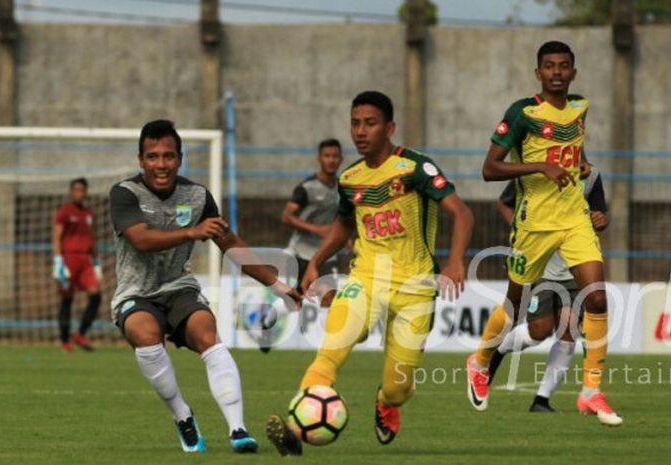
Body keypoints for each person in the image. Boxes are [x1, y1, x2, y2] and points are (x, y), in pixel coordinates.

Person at [266, 91, 474, 455]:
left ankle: (386, 402)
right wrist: (316, 261)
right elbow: (344, 225)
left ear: (389, 127)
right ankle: (296, 431)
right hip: (366, 278)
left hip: (416, 286)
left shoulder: (415, 167)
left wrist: (456, 261)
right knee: (333, 346)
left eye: (370, 123)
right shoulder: (350, 177)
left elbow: (462, 213)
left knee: (398, 388)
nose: (360, 131)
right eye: (355, 123)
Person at [109, 119, 302, 453]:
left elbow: (230, 243)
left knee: (206, 332)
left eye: (168, 156)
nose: (161, 164)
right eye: (152, 157)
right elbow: (140, 239)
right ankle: (183, 416)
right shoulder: (125, 194)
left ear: (180, 159)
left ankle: (238, 429)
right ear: (140, 160)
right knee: (145, 333)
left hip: (178, 288)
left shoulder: (197, 196)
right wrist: (190, 233)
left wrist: (277, 284)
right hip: (135, 293)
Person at [471, 41, 622, 426]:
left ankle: (591, 391)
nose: (557, 72)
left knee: (598, 298)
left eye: (564, 66)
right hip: (534, 224)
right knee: (513, 306)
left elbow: (574, 148)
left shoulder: (580, 107)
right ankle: (482, 358)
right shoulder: (522, 113)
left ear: (574, 71)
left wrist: (581, 166)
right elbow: (489, 169)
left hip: (574, 220)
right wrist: (540, 166)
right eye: (549, 66)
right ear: (538, 73)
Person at [483, 167, 608, 413]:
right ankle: (497, 351)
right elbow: (504, 203)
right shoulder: (539, 170)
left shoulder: (591, 176)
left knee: (569, 329)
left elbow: (598, 215)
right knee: (539, 330)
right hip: (541, 264)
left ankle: (541, 400)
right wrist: (523, 233)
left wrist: (601, 220)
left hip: (575, 266)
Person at [258, 138, 343, 353]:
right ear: (319, 159)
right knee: (294, 298)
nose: (331, 160)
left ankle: (326, 349)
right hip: (301, 251)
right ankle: (269, 320)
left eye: (335, 156)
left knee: (329, 296)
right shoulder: (306, 188)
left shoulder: (344, 188)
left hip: (326, 253)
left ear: (340, 159)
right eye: (327, 156)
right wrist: (317, 230)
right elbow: (287, 216)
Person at [52, 177, 102, 352]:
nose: (78, 193)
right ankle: (65, 341)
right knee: (67, 300)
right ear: (71, 192)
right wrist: (58, 261)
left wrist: (96, 263)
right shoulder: (64, 212)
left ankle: (80, 334)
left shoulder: (89, 213)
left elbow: (92, 239)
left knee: (96, 295)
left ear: (85, 192)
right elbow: (57, 237)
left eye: (81, 190)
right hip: (68, 259)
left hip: (85, 261)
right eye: (76, 190)